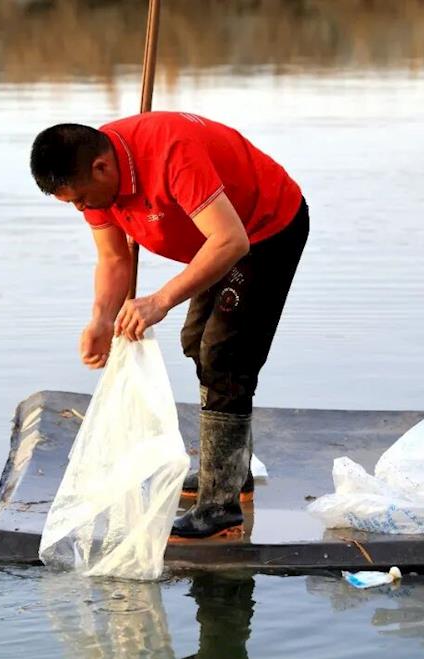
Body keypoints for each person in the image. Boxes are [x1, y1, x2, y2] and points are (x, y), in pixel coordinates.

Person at [29, 111, 308, 539]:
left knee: (224, 353)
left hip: (265, 228)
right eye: (74, 204)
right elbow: (114, 258)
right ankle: (232, 472)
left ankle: (220, 507)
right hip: (216, 240)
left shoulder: (171, 154)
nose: (82, 209)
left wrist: (160, 299)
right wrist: (101, 318)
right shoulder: (96, 182)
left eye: (82, 199)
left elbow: (231, 240)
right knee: (197, 341)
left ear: (101, 167)